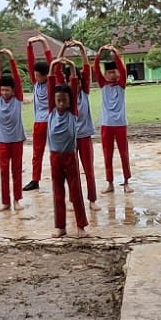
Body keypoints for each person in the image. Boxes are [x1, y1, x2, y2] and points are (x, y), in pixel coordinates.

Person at [46, 61, 89, 238]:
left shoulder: (73, 111)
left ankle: (81, 226)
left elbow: (73, 84)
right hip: (55, 157)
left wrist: (71, 66)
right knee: (58, 192)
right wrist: (53, 65)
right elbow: (50, 85)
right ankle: (61, 227)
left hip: (70, 156)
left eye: (65, 100)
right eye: (59, 100)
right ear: (54, 101)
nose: (62, 103)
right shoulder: (51, 111)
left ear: (70, 101)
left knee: (75, 191)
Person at [64, 41, 100, 203]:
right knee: (73, 171)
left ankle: (92, 200)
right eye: (72, 80)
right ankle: (74, 199)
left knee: (89, 170)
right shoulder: (64, 98)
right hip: (70, 139)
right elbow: (55, 73)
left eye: (78, 80)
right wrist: (63, 49)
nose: (75, 83)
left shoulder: (84, 92)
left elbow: (87, 70)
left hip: (84, 136)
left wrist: (81, 48)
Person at [0, 49, 26, 212]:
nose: (5, 92)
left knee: (16, 171)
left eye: (8, 90)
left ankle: (17, 199)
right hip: (3, 141)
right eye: (3, 90)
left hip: (17, 140)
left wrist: (11, 58)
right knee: (4, 172)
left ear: (13, 91)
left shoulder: (18, 99)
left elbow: (18, 80)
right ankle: (6, 201)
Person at [95, 44, 133, 192]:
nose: (112, 74)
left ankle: (126, 181)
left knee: (124, 153)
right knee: (107, 154)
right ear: (105, 75)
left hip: (120, 124)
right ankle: (110, 183)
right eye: (109, 72)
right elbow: (96, 69)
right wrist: (99, 54)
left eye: (114, 71)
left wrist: (115, 54)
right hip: (106, 124)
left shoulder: (121, 85)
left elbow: (123, 71)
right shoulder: (103, 85)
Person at [23, 37, 53, 191]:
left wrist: (43, 42)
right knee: (37, 152)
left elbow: (51, 61)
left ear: (46, 75)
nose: (35, 77)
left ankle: (60, 176)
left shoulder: (52, 82)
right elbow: (30, 63)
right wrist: (29, 45)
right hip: (38, 122)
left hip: (52, 122)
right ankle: (35, 179)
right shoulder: (36, 84)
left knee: (56, 151)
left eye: (38, 75)